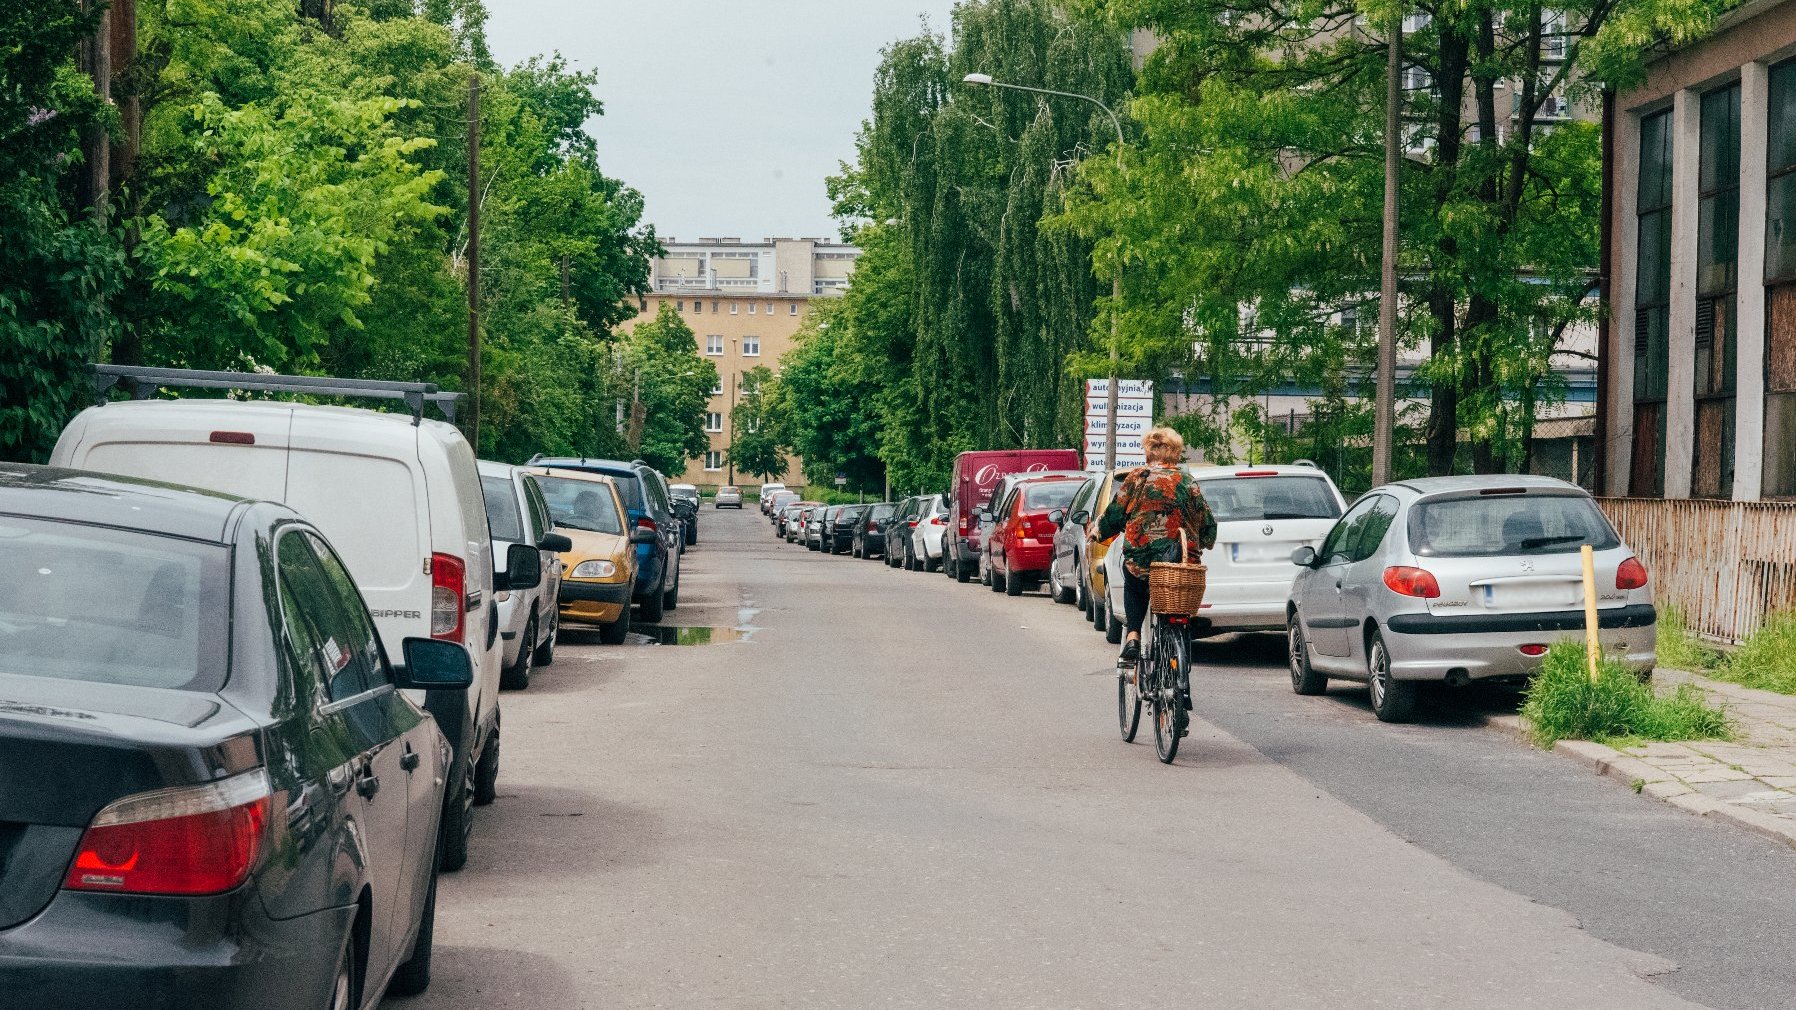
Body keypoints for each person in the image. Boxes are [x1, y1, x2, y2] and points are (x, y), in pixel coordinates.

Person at [1096, 427, 1217, 662]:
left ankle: (1133, 635)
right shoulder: (1187, 481)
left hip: (1142, 560)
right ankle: (1177, 659)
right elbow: (1207, 523)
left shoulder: (1137, 478)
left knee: (1133, 581)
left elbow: (1115, 515)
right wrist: (1204, 542)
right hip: (1178, 562)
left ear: (1149, 452)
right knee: (1175, 600)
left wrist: (1097, 532)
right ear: (1175, 453)